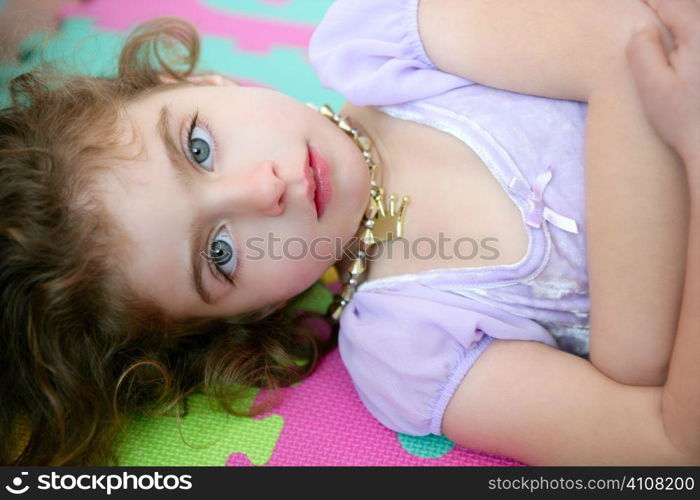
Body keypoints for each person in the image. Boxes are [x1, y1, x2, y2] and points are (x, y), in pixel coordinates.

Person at [0, 0, 698, 465]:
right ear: (251, 313)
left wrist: (634, 357)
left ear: (209, 80)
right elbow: (667, 443)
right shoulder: (406, 350)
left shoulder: (384, 46)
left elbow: (635, 38)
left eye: (199, 146)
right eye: (219, 253)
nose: (262, 189)